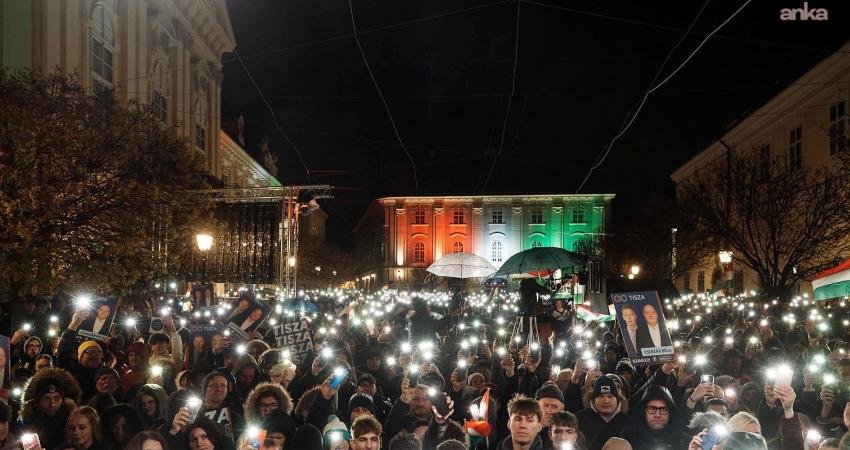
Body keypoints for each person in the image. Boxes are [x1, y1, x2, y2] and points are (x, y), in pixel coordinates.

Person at [16, 367, 83, 450]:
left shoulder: (74, 421)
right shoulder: (24, 423)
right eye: (46, 399)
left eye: (57, 398)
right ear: (37, 401)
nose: (52, 404)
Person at [576, 376, 630, 450]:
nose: (606, 401)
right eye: (600, 396)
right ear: (593, 400)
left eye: (610, 396)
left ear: (618, 400)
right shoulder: (579, 419)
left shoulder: (629, 423)